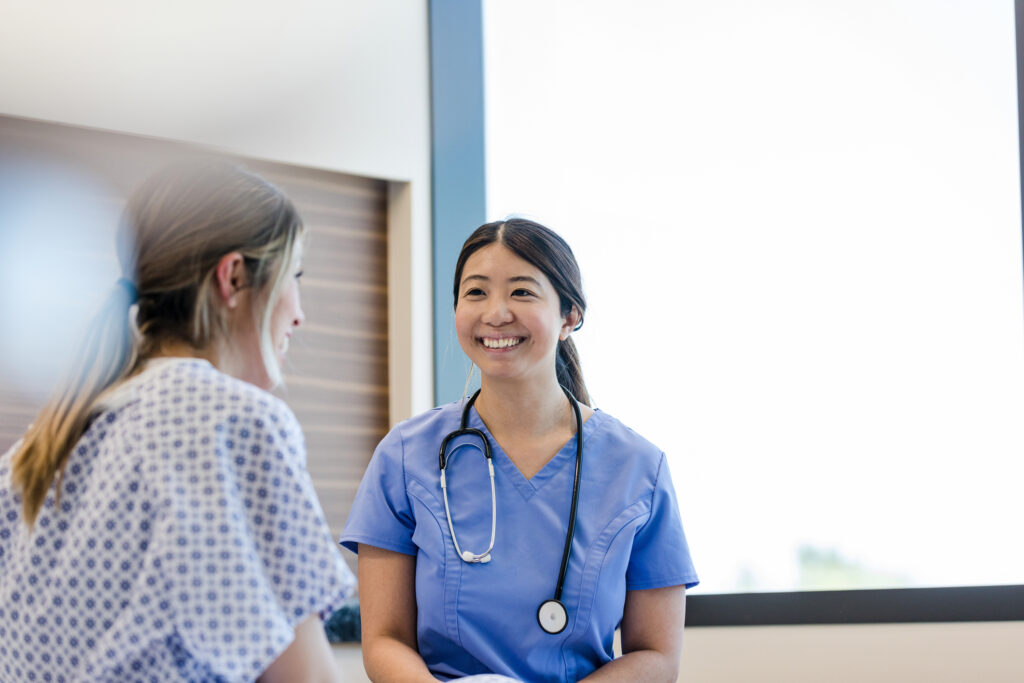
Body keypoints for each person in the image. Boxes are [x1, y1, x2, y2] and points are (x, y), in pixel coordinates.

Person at [0, 160, 355, 681]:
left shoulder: (38, 449)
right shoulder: (236, 423)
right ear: (233, 277)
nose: (298, 312)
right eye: (293, 276)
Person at [340, 218, 698, 682]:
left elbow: (657, 656)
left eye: (522, 292)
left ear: (570, 316)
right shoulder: (406, 456)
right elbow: (385, 640)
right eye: (475, 292)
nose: (496, 313)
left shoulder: (638, 468)